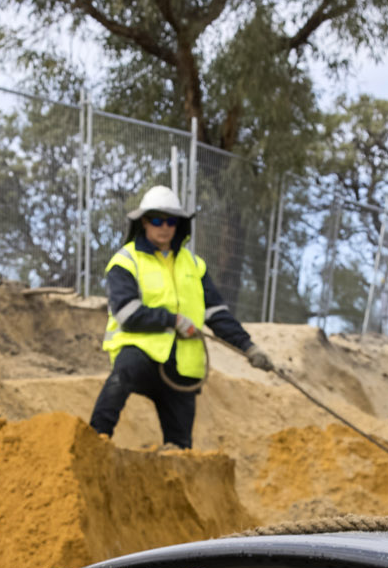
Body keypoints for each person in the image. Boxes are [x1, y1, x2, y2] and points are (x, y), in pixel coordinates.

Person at [90, 185, 263, 449]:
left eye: (171, 220)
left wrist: (249, 347)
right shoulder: (126, 261)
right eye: (157, 220)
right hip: (143, 353)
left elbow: (217, 315)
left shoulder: (195, 265)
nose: (165, 227)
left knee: (181, 446)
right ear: (144, 222)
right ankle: (94, 440)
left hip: (182, 365)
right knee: (122, 376)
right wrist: (172, 320)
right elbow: (126, 312)